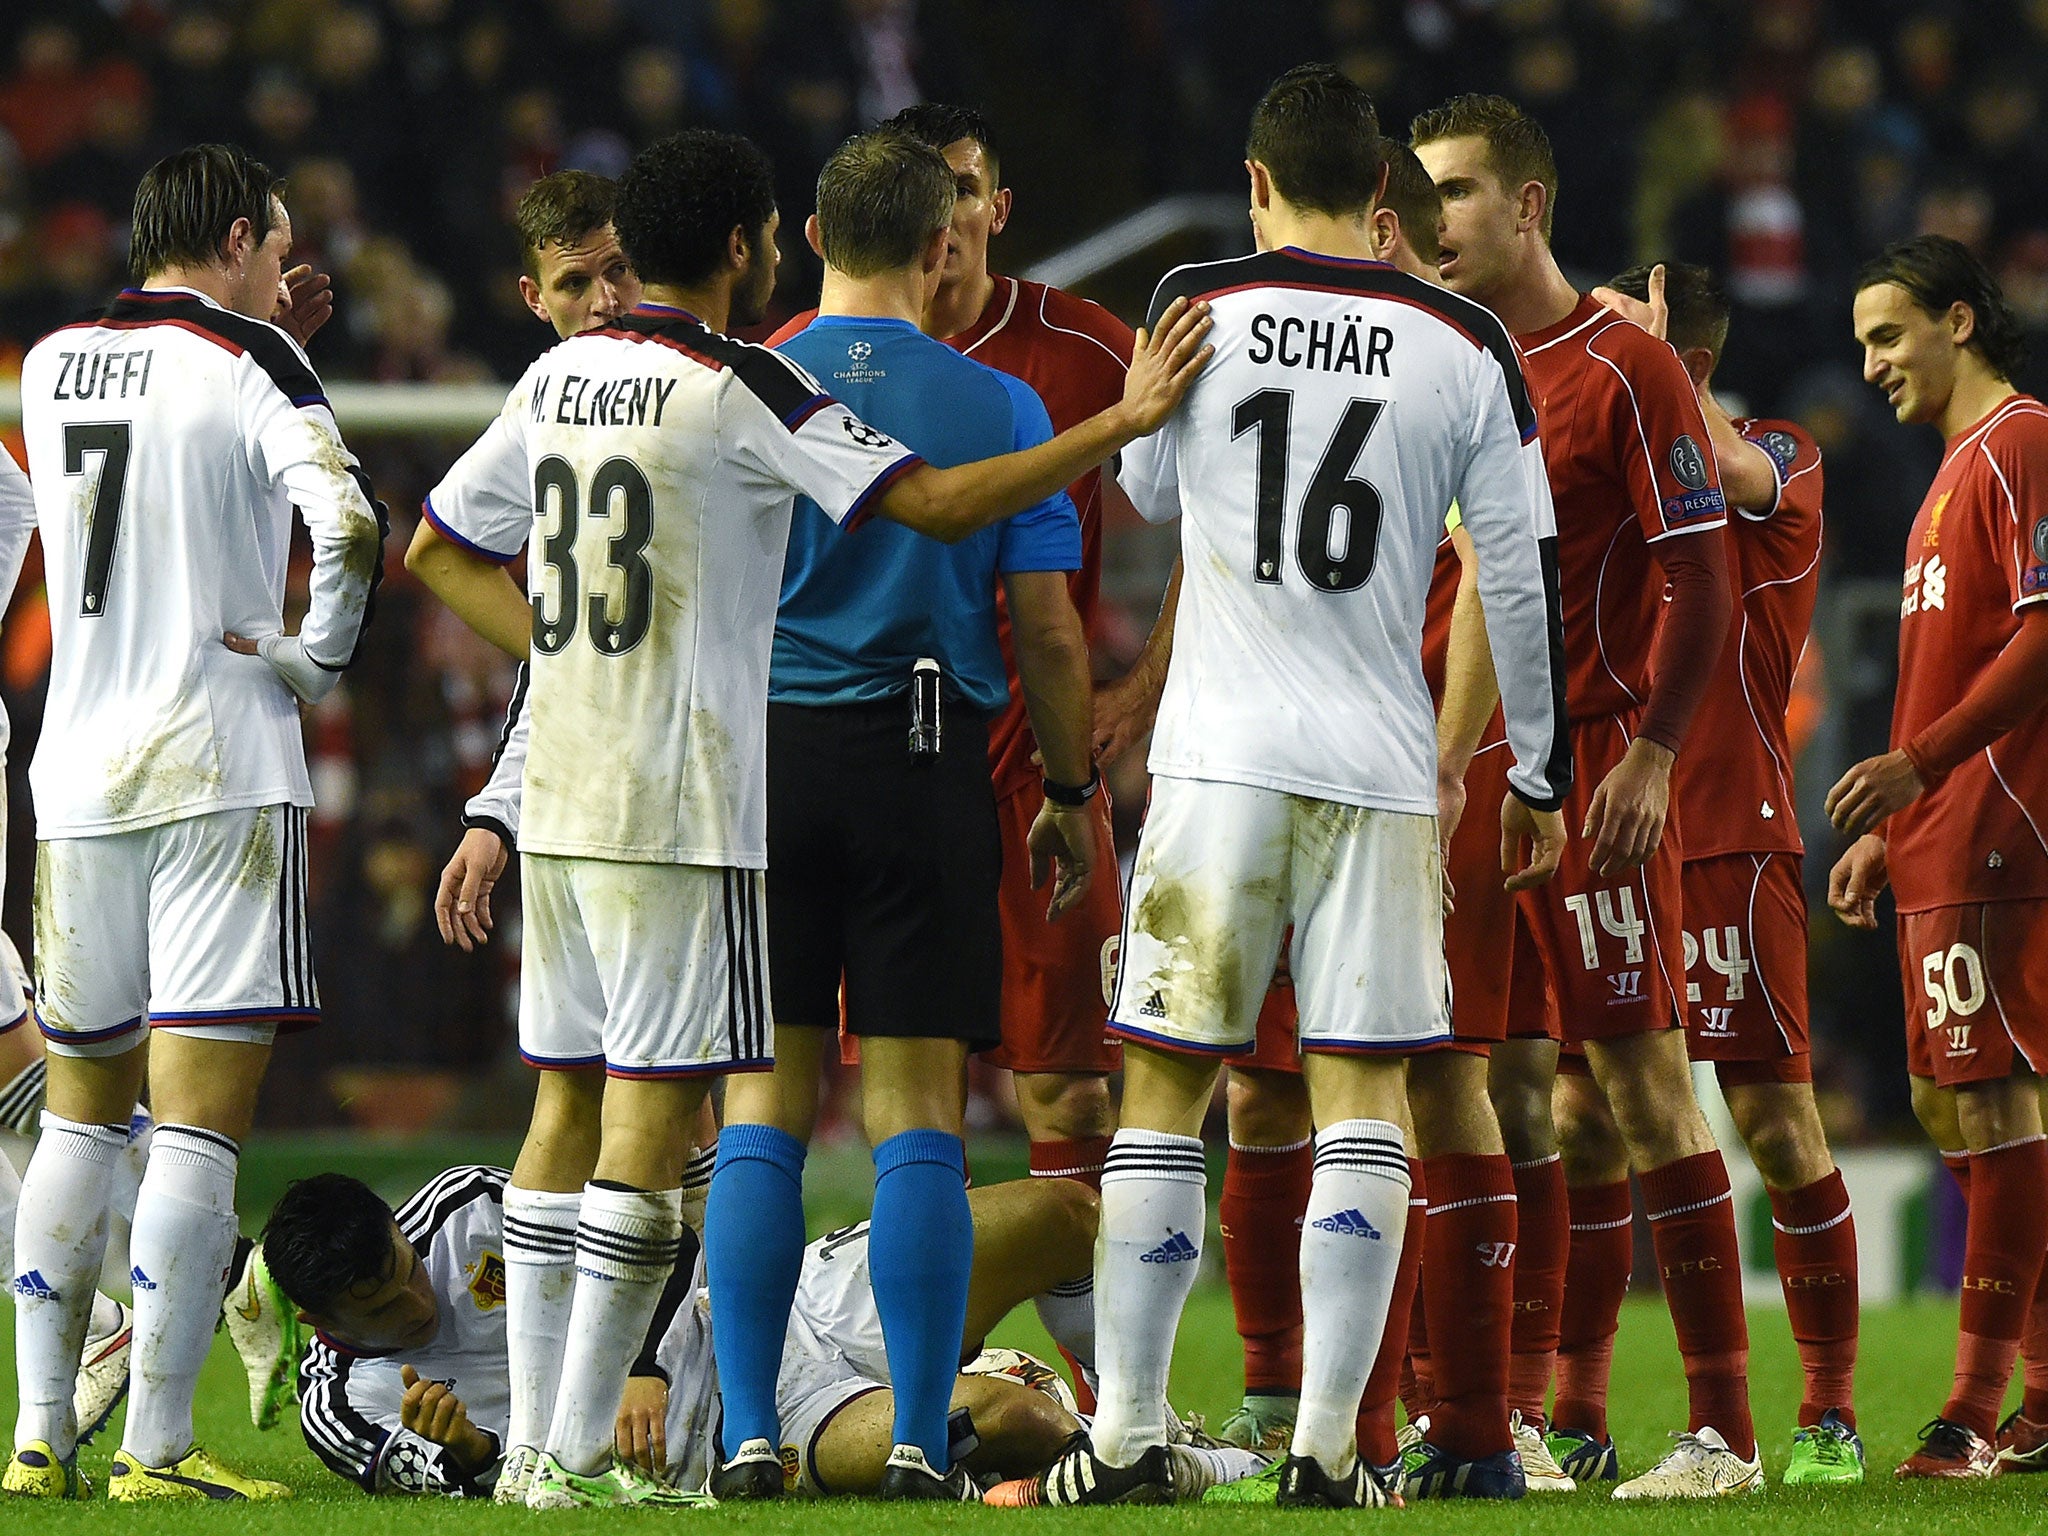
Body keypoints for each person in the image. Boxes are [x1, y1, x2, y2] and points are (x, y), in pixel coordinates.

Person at [412, 127, 1210, 1508]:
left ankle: (734, 1438)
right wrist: (1119, 430)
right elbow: (967, 534)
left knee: (726, 1110)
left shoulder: (573, 373)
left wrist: (570, 663)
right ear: (751, 243)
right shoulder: (762, 385)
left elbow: (432, 544)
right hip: (848, 763)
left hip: (673, 774)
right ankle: (894, 1434)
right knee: (896, 1114)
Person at [1026, 66, 1571, 1510]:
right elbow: (1517, 574)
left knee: (1165, 1086)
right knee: (1363, 1096)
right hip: (1384, 765)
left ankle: (1131, 1435)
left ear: (1258, 183)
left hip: (1217, 759)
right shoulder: (1462, 339)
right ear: (1383, 203)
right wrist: (1543, 763)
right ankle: (1330, 1452)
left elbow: (1142, 492)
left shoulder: (1196, 303)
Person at [713, 127, 1097, 1504]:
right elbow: (1048, 635)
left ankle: (749, 1431)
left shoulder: (741, 386)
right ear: (948, 244)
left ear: (812, 235)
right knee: (918, 1113)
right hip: (924, 757)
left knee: (762, 1102)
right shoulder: (1001, 408)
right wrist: (1069, 789)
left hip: (760, 760)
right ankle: (924, 1438)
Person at [6, 141, 383, 1502]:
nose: (289, 276)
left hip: (79, 772)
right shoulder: (256, 362)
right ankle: (159, 1449)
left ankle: (39, 1435)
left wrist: (267, 336)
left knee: (82, 1116)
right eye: (278, 251)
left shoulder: (47, 364)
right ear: (235, 239)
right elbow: (345, 524)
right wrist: (311, 657)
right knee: (202, 1123)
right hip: (218, 766)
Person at [1413, 95, 1757, 1500]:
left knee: (1639, 1081)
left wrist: (1660, 755)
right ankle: (1508, 1426)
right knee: (1496, 1084)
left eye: (1457, 190)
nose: (1434, 217)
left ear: (1529, 204)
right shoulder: (1442, 368)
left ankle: (1724, 1435)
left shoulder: (1623, 365)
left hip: (1599, 764)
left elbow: (1706, 574)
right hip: (1469, 767)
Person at [1577, 262, 1860, 1484]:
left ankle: (1829, 1419)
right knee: (1591, 1115)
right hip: (1610, 826)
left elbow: (1733, 475)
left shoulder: (1778, 452)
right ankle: (1577, 1419)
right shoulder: (1624, 466)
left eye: (1625, 343)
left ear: (1675, 356)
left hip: (1728, 833)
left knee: (1772, 1116)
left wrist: (1643, 366)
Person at [261, 1168, 1261, 1498]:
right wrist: (475, 1454)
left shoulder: (468, 1210)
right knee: (1015, 1425)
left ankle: (1142, 1413)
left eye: (402, 1270)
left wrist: (642, 1365)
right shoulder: (342, 1410)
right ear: (322, 1324)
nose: (416, 1304)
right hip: (753, 1426)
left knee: (1062, 1216)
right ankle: (1196, 1464)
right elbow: (478, 1488)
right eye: (383, 1311)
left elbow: (658, 1229)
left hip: (768, 1297)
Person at [1829, 234, 2048, 1479]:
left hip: (2003, 823)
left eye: (1889, 335)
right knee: (1938, 1100)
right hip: (1939, 831)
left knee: (1990, 1096)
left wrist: (1921, 774)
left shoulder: (2018, 442)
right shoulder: (1942, 482)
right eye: (1861, 341)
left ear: (1957, 322)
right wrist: (1891, 825)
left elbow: (2035, 639)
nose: (1869, 365)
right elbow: (1941, 675)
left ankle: (1970, 1410)